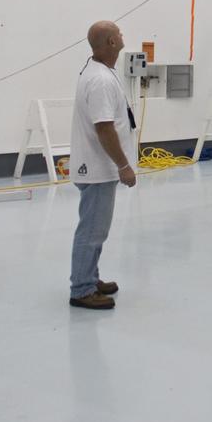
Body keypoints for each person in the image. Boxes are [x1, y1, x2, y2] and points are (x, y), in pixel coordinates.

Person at [67, 20, 137, 310]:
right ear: (111, 42)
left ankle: (90, 277)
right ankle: (81, 289)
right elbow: (104, 128)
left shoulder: (102, 73)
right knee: (93, 230)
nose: (122, 35)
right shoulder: (100, 80)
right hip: (97, 168)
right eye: (118, 33)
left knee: (97, 228)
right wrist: (123, 165)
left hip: (98, 166)